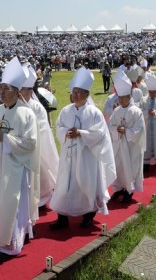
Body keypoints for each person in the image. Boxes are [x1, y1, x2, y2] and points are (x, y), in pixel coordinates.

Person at [0, 56, 40, 262]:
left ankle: (11, 245)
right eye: (1, 88)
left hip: (17, 167)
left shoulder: (27, 114)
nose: (2, 92)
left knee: (14, 204)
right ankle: (12, 235)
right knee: (0, 204)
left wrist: (5, 139)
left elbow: (30, 143)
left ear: (17, 91)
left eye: (6, 88)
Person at [49, 67, 116, 230]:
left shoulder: (94, 113)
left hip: (87, 157)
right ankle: (62, 217)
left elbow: (100, 134)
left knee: (86, 185)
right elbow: (59, 128)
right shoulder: (66, 111)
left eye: (80, 92)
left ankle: (88, 215)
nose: (76, 95)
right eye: (74, 92)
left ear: (87, 94)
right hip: (69, 156)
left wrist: (81, 133)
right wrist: (66, 132)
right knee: (65, 185)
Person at [20, 65, 58, 209]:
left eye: (24, 90)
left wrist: (27, 135)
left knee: (39, 175)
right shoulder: (14, 105)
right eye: (19, 89)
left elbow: (42, 127)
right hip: (18, 148)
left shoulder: (36, 107)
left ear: (30, 91)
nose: (20, 93)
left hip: (36, 148)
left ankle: (41, 199)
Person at [108, 71, 146, 204]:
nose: (122, 100)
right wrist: (116, 130)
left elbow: (139, 130)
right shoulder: (117, 111)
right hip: (118, 145)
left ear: (129, 96)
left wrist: (127, 131)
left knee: (130, 167)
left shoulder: (136, 111)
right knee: (118, 166)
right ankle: (118, 188)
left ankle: (129, 190)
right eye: (120, 97)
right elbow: (110, 125)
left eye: (124, 97)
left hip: (131, 147)